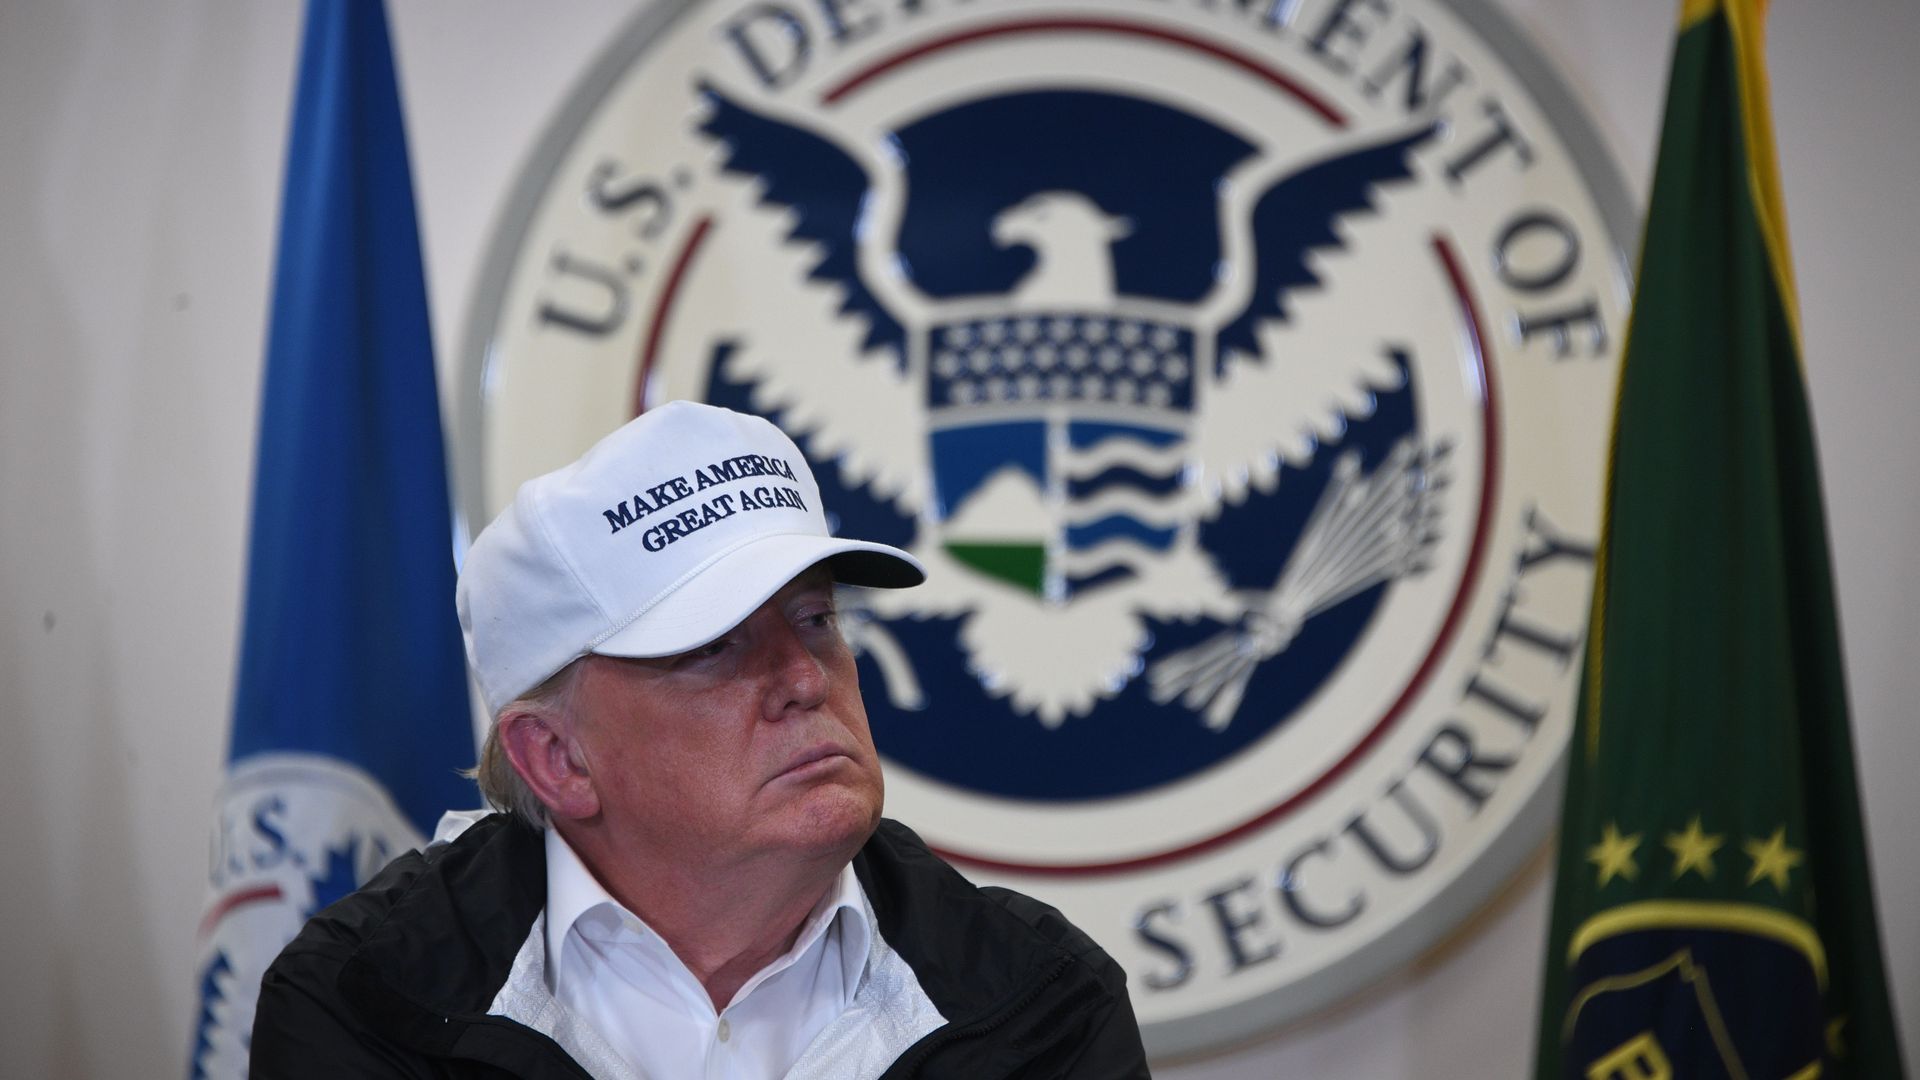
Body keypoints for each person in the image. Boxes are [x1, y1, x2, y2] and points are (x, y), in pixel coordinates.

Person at [251, 401, 1151, 1078]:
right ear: (558, 760)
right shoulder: (366, 1004)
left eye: (815, 622)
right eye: (716, 648)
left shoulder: (1041, 1004)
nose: (806, 680)